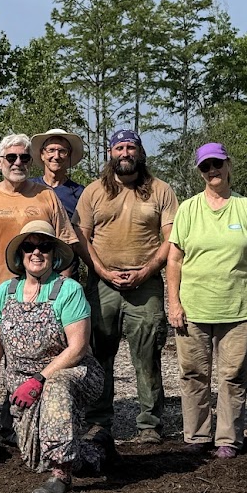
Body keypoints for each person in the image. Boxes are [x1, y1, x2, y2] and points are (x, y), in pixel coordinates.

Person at [0, 133, 79, 444]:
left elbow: (68, 245)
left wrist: (62, 289)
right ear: (0, 163)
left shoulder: (46, 197)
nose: (18, 162)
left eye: (23, 157)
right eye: (11, 157)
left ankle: (17, 419)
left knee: (29, 359)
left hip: (38, 301)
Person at [0, 221, 105, 493]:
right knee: (37, 457)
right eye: (29, 246)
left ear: (54, 253)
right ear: (20, 254)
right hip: (22, 389)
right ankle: (97, 448)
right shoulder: (5, 292)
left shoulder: (69, 290)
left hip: (73, 373)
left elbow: (78, 348)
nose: (36, 253)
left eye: (44, 246)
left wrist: (40, 379)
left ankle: (61, 475)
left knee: (56, 387)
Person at [75, 129, 178, 443]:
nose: (125, 153)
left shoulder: (160, 190)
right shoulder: (93, 192)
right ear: (110, 153)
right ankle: (99, 422)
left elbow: (171, 239)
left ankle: (149, 424)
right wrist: (102, 270)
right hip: (101, 283)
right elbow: (81, 238)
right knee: (99, 353)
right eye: (119, 147)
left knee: (147, 353)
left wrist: (147, 270)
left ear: (141, 153)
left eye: (131, 147)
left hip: (145, 285)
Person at [166, 142, 247, 459]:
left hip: (237, 309)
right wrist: (174, 303)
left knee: (233, 376)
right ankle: (196, 435)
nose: (212, 171)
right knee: (193, 374)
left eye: (217, 164)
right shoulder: (188, 209)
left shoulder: (246, 208)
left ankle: (228, 438)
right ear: (199, 172)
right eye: (206, 167)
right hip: (193, 308)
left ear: (228, 165)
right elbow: (174, 261)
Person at [30, 128, 86, 219]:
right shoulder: (28, 187)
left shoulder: (79, 193)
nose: (56, 156)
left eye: (62, 151)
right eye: (51, 150)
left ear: (69, 156)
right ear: (42, 155)